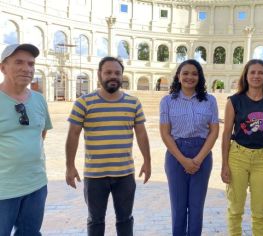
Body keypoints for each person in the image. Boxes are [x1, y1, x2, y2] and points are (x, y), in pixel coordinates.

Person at [65, 56, 151, 236]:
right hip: (95, 175)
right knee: (95, 221)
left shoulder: (133, 102)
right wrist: (70, 166)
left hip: (125, 174)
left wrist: (147, 162)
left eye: (117, 73)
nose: (113, 76)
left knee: (125, 219)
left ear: (122, 76)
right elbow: (73, 134)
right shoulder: (84, 102)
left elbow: (141, 133)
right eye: (108, 72)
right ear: (99, 75)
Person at [221, 59, 263, 236]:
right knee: (235, 208)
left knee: (260, 210)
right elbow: (226, 134)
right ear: (246, 76)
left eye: (260, 72)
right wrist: (224, 164)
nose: (256, 76)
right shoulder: (234, 101)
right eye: (252, 72)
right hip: (238, 156)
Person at [159, 59, 219, 236]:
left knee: (196, 207)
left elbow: (214, 131)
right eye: (185, 73)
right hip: (176, 154)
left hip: (202, 153)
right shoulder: (167, 101)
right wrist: (183, 160)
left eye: (194, 73)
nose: (189, 77)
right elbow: (165, 133)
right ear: (178, 76)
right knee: (178, 208)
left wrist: (198, 159)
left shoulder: (210, 100)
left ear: (199, 77)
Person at [0, 44, 52, 235]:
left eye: (31, 64)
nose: (26, 68)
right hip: (3, 190)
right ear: (3, 67)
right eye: (19, 62)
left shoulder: (39, 100)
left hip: (36, 185)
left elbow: (41, 134)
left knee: (30, 233)